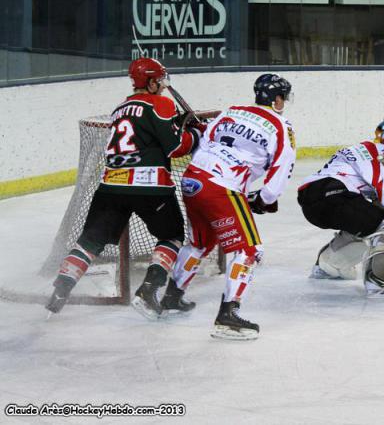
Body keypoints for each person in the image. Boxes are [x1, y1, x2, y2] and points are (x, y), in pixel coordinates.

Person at [45, 57, 201, 315]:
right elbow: (175, 148)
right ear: (151, 82)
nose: (162, 87)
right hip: (150, 186)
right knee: (172, 236)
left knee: (90, 241)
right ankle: (149, 288)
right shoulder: (161, 103)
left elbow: (145, 133)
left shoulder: (120, 108)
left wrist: (175, 126)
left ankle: (62, 286)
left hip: (111, 186)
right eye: (159, 82)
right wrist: (195, 134)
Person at [165, 73, 296, 340]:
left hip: (191, 179)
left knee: (200, 242)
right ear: (278, 99)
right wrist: (263, 201)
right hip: (222, 186)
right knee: (249, 250)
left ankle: (171, 297)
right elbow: (279, 176)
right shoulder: (282, 126)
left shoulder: (231, 111)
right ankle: (228, 315)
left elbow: (202, 141)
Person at [297, 117, 384, 296]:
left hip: (311, 201)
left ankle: (330, 265)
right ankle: (381, 279)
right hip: (337, 195)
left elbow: (374, 193)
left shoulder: (360, 149)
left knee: (366, 224)